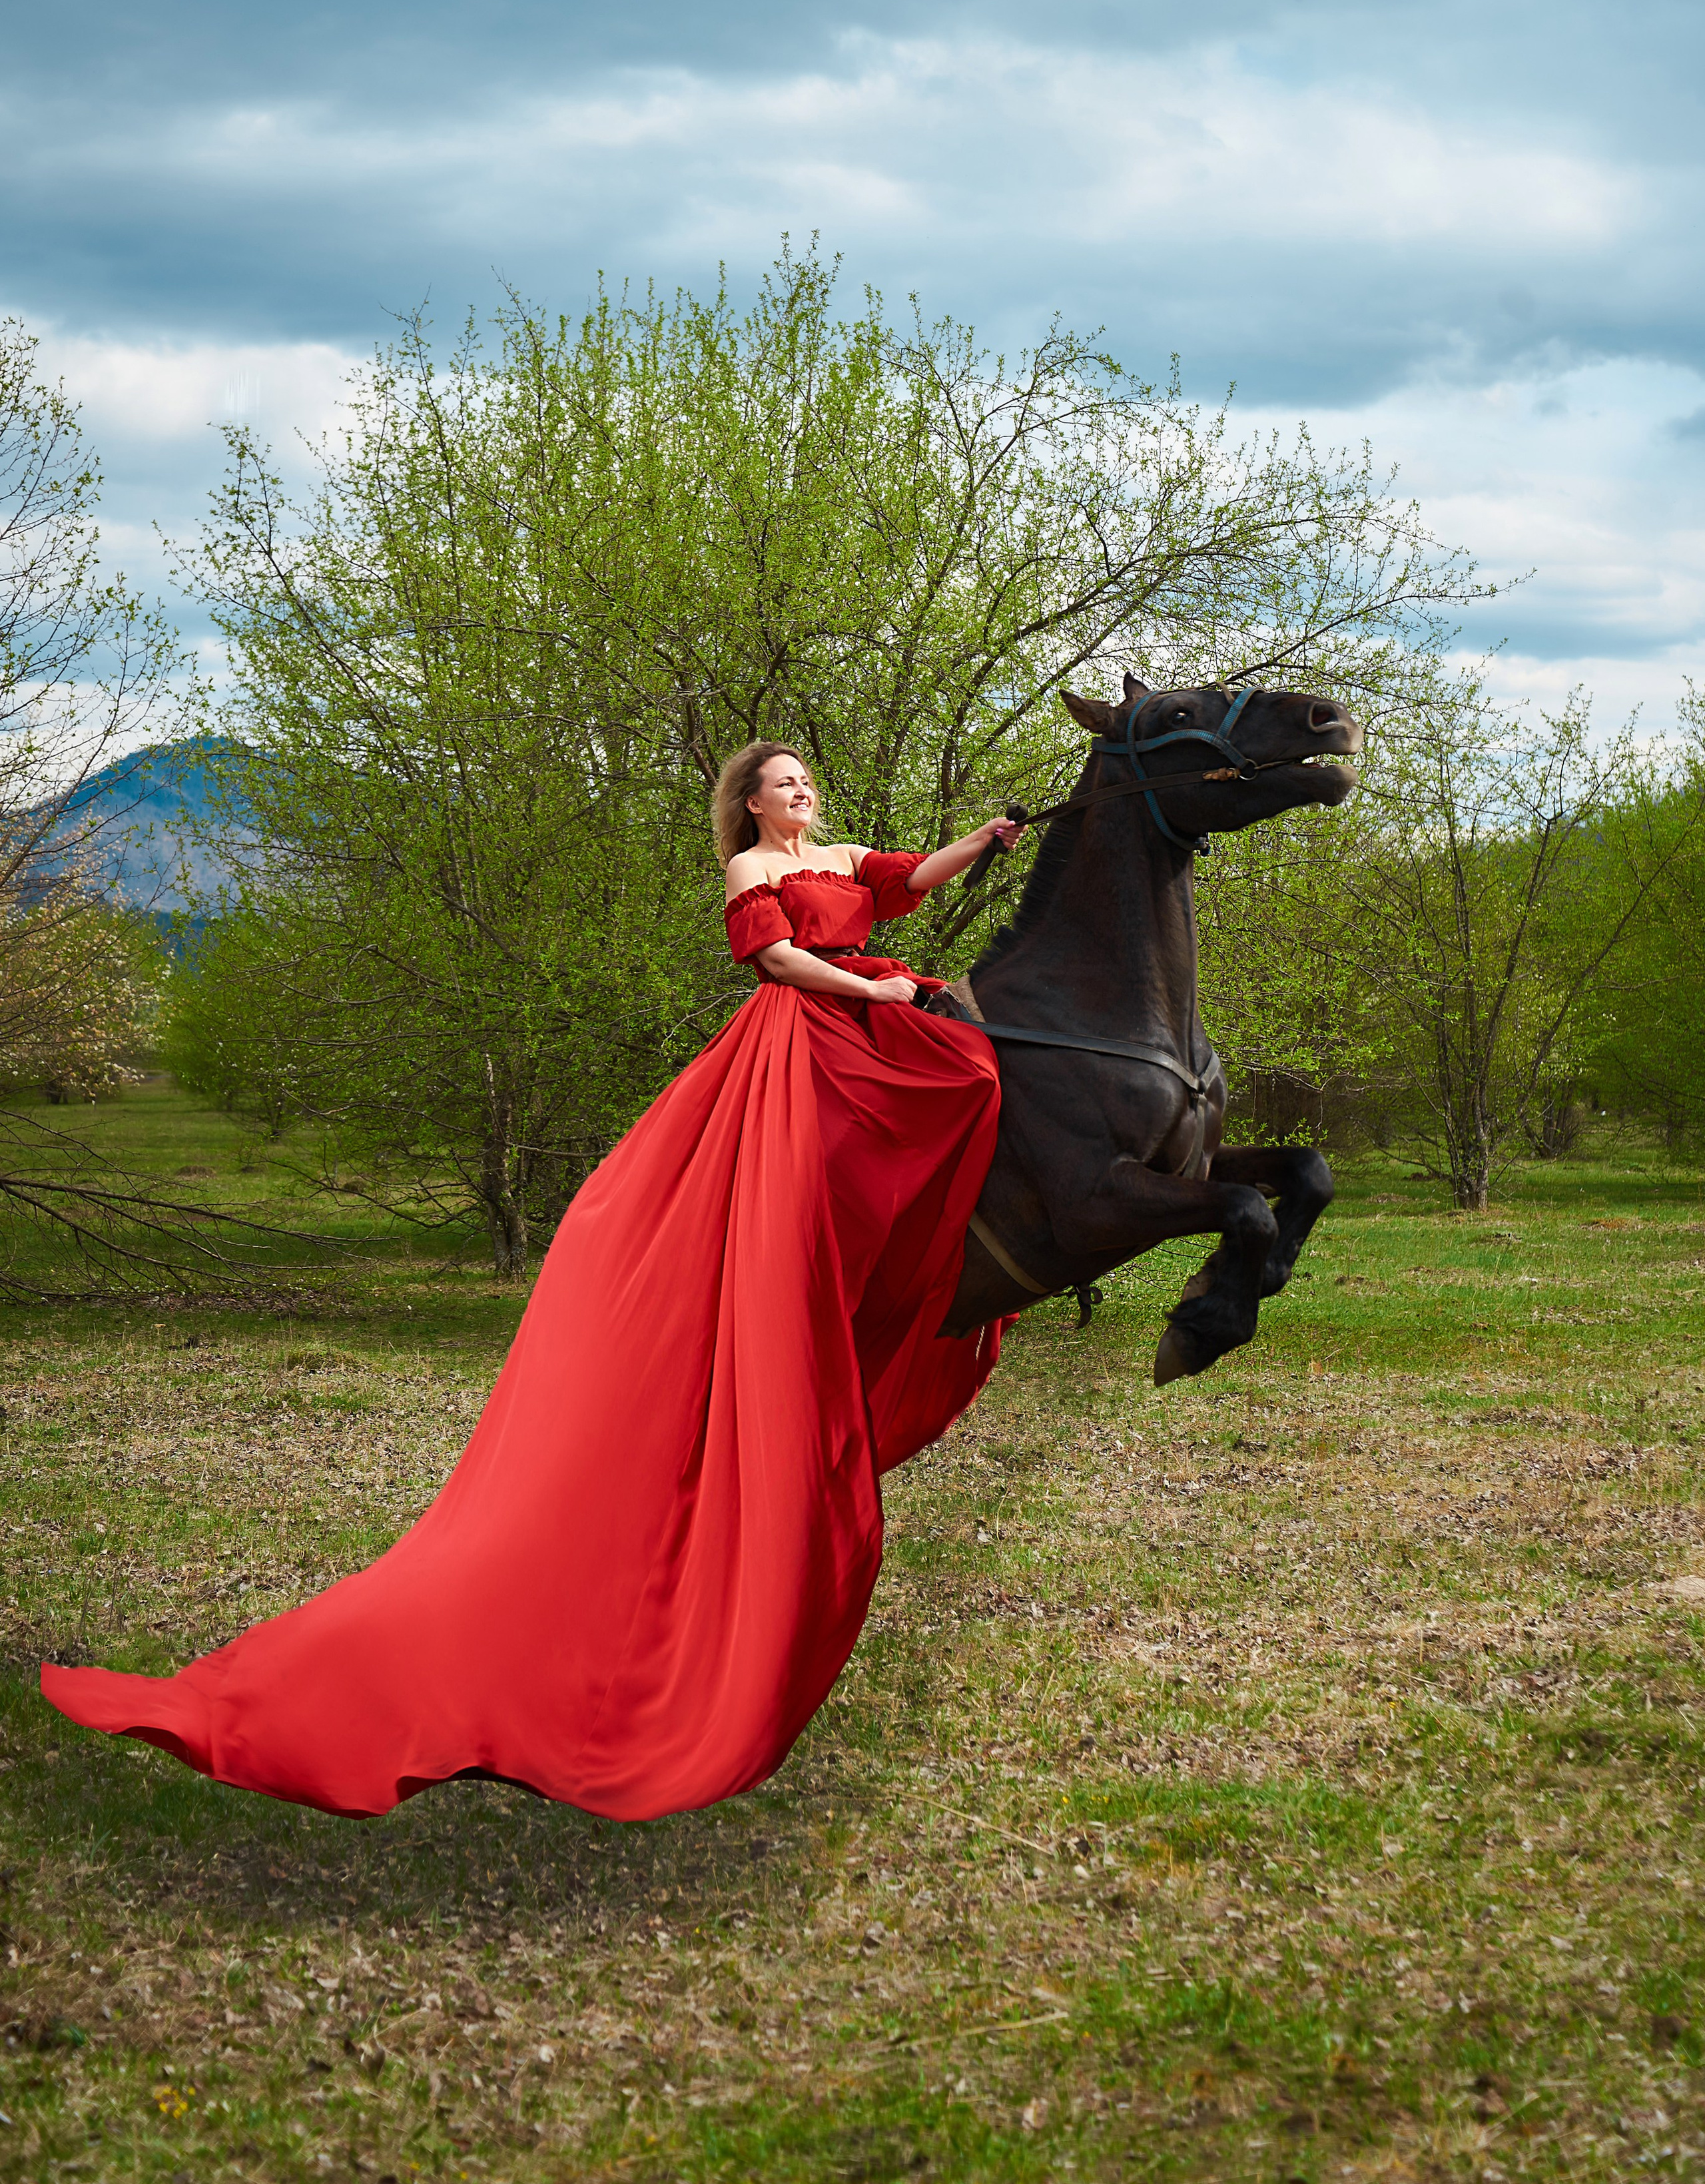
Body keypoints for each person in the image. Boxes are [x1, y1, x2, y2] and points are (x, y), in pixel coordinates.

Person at [41, 745, 1024, 1822]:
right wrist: (871, 984)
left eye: (804, 783)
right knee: (925, 1093)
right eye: (783, 783)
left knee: (974, 1070)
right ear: (748, 802)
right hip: (802, 1041)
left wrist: (989, 841)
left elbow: (909, 878)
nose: (801, 793)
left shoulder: (839, 854)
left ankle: (944, 1256)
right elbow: (782, 966)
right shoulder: (751, 874)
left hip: (868, 1014)